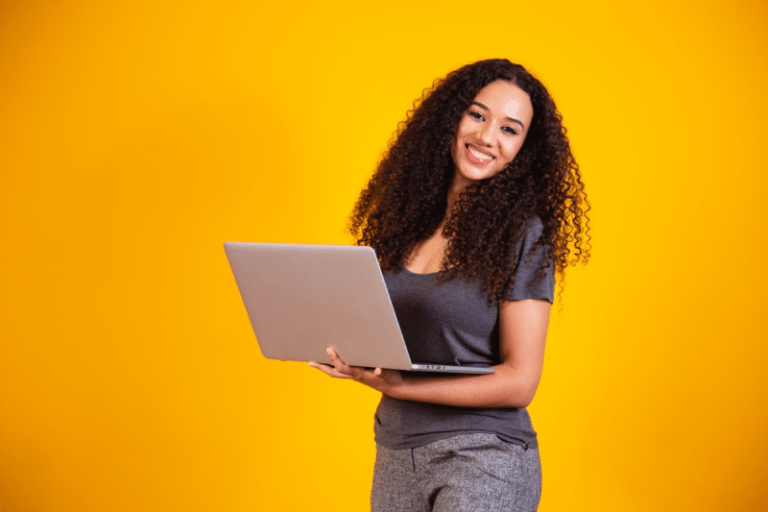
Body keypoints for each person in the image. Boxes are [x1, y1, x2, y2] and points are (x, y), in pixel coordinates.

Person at [309, 58, 590, 512]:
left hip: (484, 456)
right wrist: (349, 349)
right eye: (477, 115)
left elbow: (521, 381)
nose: (486, 137)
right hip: (397, 452)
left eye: (509, 129)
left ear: (524, 149)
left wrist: (402, 387)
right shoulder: (405, 222)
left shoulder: (523, 234)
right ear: (451, 118)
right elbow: (397, 339)